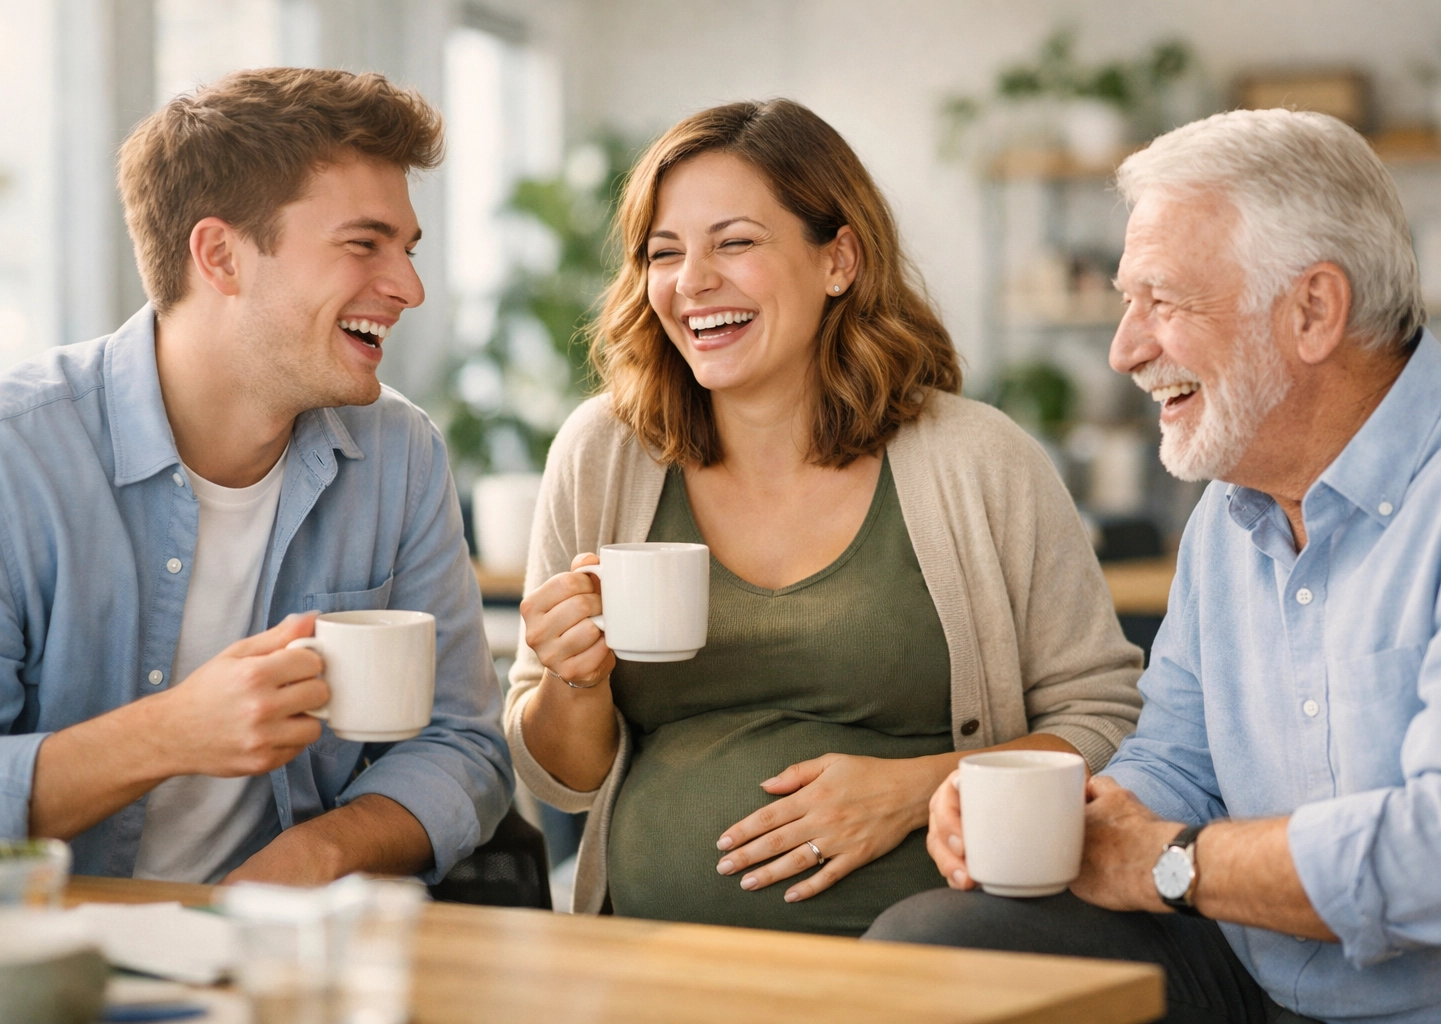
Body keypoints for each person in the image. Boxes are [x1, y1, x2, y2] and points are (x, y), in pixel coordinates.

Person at [867, 108, 1441, 1022]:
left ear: (1313, 311)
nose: (1125, 349)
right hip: (1257, 985)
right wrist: (1060, 817)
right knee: (937, 941)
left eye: (1164, 302)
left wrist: (1171, 863)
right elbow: (1178, 764)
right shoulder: (1230, 508)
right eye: (1126, 301)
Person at [506, 99, 1143, 935]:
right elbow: (562, 781)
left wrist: (921, 786)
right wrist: (574, 680)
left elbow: (1104, 721)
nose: (692, 281)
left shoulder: (982, 459)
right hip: (656, 960)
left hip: (941, 957)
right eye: (664, 252)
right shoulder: (602, 454)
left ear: (838, 259)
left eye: (735, 242)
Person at [0, 68, 514, 885]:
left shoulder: (399, 453)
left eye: (408, 250)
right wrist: (170, 733)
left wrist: (316, 856)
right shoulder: (17, 458)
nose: (409, 288)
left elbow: (461, 742)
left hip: (293, 946)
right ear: (221, 255)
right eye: (364, 243)